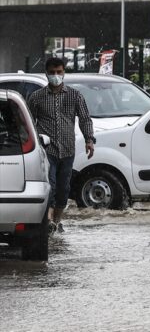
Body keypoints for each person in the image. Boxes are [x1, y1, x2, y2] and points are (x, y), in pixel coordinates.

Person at [28, 57, 95, 234]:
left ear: (64, 72)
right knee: (49, 185)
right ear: (46, 73)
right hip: (46, 150)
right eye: (52, 72)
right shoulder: (37, 97)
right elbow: (29, 123)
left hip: (67, 149)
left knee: (63, 189)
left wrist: (89, 140)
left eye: (59, 72)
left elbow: (85, 118)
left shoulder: (74, 95)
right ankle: (48, 220)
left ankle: (57, 221)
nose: (56, 76)